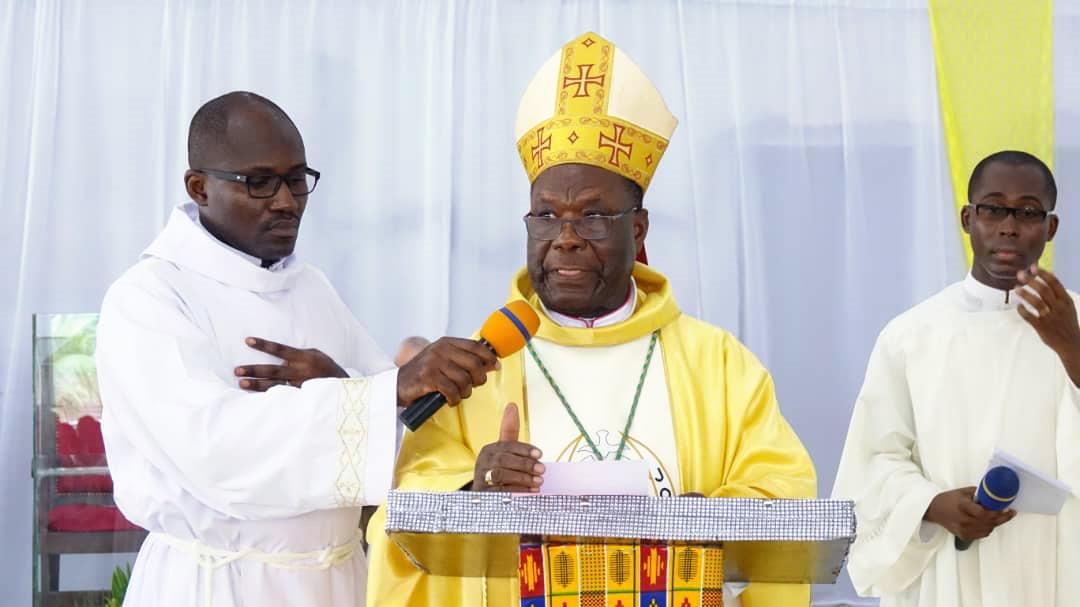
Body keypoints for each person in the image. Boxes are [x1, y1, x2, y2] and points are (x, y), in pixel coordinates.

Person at [366, 33, 816, 607]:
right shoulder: (475, 367)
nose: (567, 239)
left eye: (594, 216)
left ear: (640, 229)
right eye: (546, 216)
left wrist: (714, 519)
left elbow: (784, 491)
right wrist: (473, 493)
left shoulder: (717, 362)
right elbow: (400, 519)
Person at [96, 91, 497, 607]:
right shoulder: (150, 297)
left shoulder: (312, 288)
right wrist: (382, 391)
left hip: (334, 579)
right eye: (259, 183)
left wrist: (364, 388)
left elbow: (395, 427)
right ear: (199, 188)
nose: (286, 201)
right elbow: (215, 453)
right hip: (217, 584)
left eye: (296, 180)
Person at [831, 150, 1080, 606]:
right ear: (968, 218)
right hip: (948, 569)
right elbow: (871, 461)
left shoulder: (1076, 321)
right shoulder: (910, 335)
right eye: (993, 208)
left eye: (1027, 212)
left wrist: (1070, 347)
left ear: (1051, 227)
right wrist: (929, 505)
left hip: (1058, 566)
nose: (1009, 226)